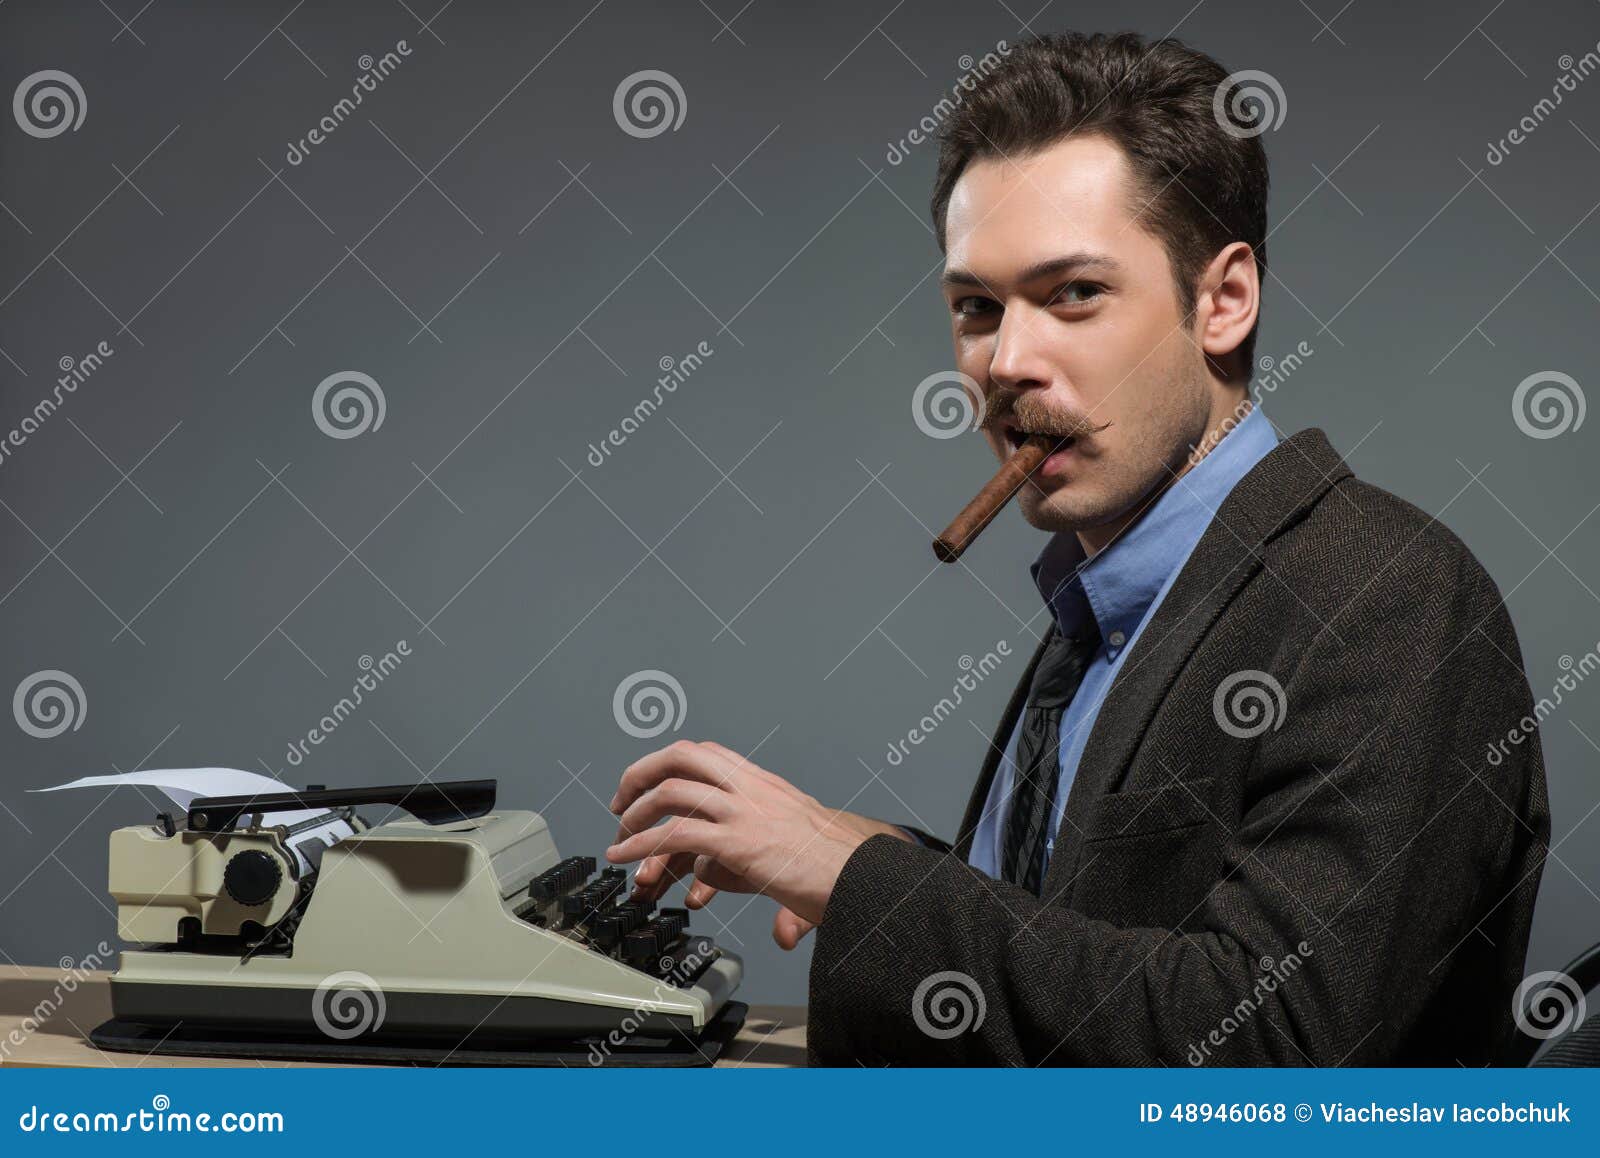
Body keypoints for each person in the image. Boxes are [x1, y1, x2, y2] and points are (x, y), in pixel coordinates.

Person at [604, 31, 1549, 1065]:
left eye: (1074, 296)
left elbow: (1268, 1048)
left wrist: (866, 882)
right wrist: (849, 857)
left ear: (1222, 301)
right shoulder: (1109, 605)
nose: (1007, 362)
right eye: (975, 308)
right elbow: (1095, 940)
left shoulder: (1386, 594)